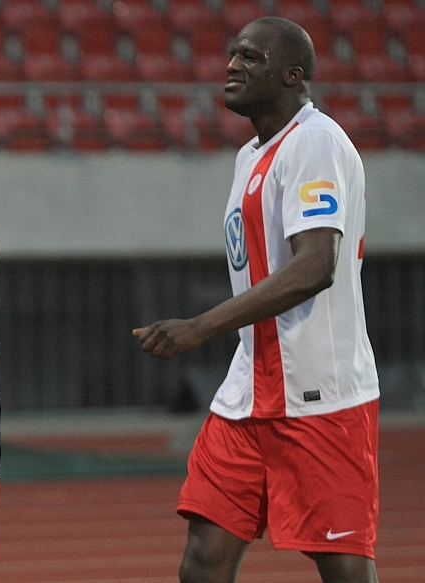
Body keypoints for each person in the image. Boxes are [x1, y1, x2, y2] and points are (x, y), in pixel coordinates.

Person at [133, 17, 380, 583]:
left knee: (344, 571)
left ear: (293, 75)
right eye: (232, 54)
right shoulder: (251, 154)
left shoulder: (314, 141)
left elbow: (315, 266)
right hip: (248, 394)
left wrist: (199, 327)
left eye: (250, 57)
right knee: (202, 562)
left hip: (320, 397)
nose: (232, 66)